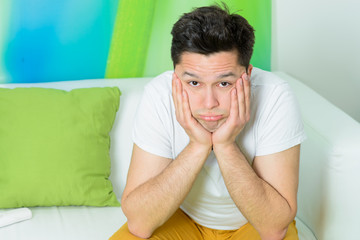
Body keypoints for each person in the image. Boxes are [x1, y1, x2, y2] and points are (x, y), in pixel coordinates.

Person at [110, 3, 306, 240]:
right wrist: (197, 145)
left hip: (251, 224)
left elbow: (273, 228)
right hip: (180, 218)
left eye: (224, 83)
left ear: (248, 76)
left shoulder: (276, 96)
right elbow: (139, 223)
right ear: (175, 78)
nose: (209, 102)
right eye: (193, 83)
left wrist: (225, 145)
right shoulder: (159, 95)